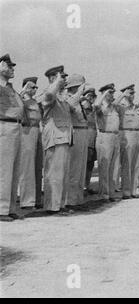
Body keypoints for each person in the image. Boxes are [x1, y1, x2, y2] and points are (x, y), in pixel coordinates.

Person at [37, 65, 72, 213]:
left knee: (63, 174)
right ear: (53, 78)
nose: (64, 80)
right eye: (62, 77)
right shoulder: (49, 93)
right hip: (54, 137)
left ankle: (60, 205)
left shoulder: (62, 97)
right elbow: (50, 94)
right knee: (54, 173)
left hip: (64, 137)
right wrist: (56, 82)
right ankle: (52, 206)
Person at [0, 54, 24, 221]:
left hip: (16, 127)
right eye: (9, 67)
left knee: (14, 170)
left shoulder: (10, 88)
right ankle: (1, 210)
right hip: (5, 126)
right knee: (5, 170)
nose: (12, 69)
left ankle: (9, 208)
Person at [65, 74, 89, 209]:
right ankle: (71, 200)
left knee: (80, 168)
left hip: (83, 132)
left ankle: (78, 198)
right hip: (75, 132)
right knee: (74, 168)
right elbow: (70, 107)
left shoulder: (79, 100)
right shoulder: (69, 99)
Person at [19, 76, 43, 210]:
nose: (34, 89)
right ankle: (26, 201)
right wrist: (23, 91)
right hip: (26, 131)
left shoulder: (35, 101)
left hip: (37, 131)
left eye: (36, 87)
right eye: (32, 87)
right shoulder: (21, 99)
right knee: (27, 167)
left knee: (37, 166)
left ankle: (37, 199)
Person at [94, 83, 121, 202]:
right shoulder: (100, 106)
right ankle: (104, 194)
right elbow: (95, 105)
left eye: (112, 93)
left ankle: (111, 193)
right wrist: (104, 94)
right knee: (104, 167)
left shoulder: (113, 107)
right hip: (104, 136)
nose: (112, 95)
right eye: (110, 92)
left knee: (114, 167)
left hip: (115, 136)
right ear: (104, 93)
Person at [118, 84, 139, 199]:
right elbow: (114, 106)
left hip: (137, 134)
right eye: (130, 93)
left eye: (133, 93)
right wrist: (123, 96)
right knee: (127, 164)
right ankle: (126, 191)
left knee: (136, 164)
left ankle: (134, 189)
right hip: (127, 134)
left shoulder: (135, 107)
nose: (132, 95)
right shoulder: (121, 106)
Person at [81, 88, 98, 194]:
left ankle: (87, 186)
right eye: (89, 96)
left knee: (90, 165)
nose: (91, 98)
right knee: (84, 164)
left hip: (93, 141)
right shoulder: (83, 109)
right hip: (85, 141)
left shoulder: (93, 110)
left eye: (92, 96)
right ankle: (82, 187)